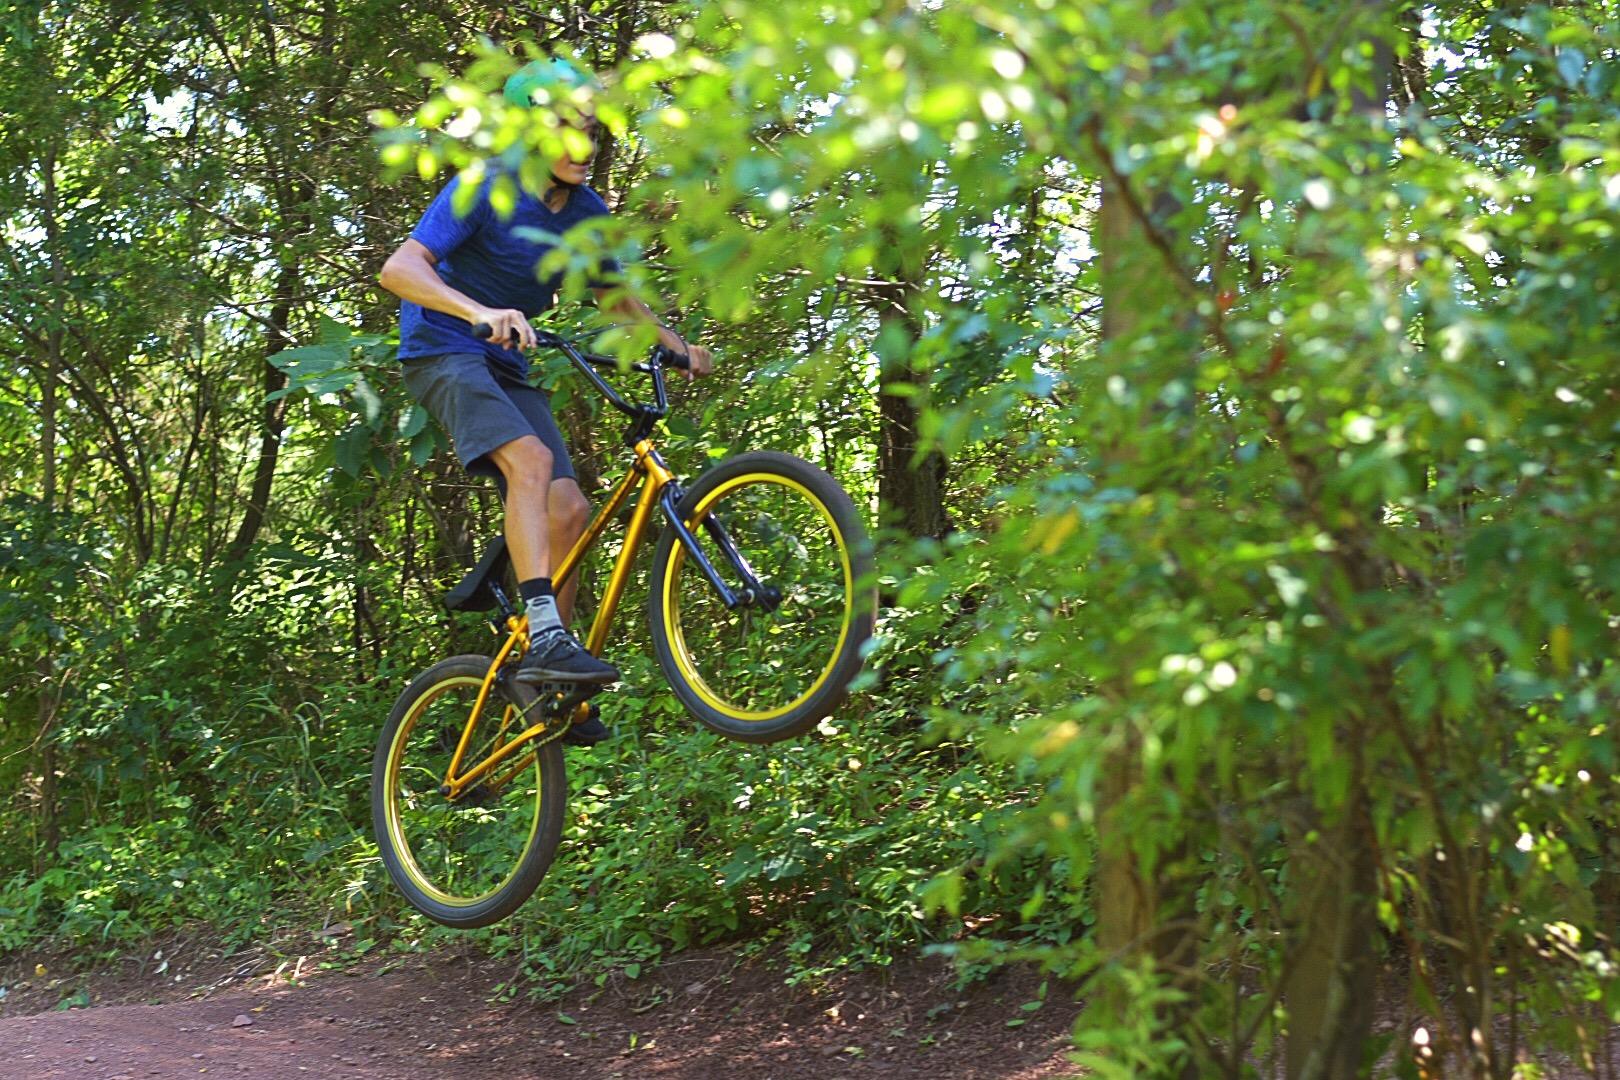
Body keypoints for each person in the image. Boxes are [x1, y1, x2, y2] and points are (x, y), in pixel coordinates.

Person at [379, 57, 711, 742]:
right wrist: (477, 310)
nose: (583, 146)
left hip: (507, 364)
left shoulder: (586, 211)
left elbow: (615, 297)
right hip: (445, 351)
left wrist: (676, 346)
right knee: (528, 461)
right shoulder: (487, 186)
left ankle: (545, 666)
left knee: (570, 506)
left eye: (591, 131)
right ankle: (549, 632)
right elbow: (400, 268)